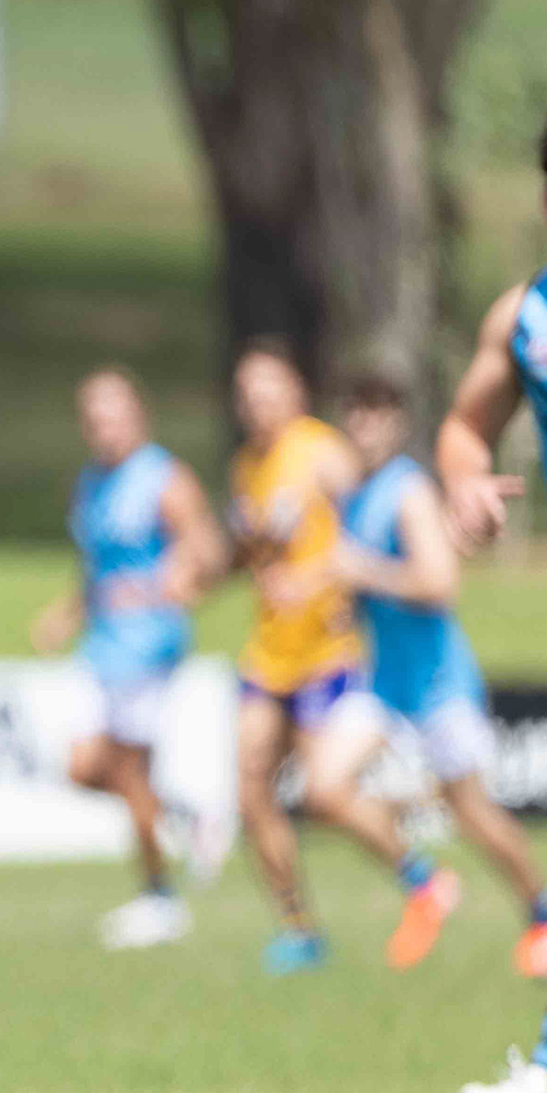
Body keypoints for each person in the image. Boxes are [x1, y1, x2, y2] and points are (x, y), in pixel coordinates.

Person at [444, 105, 547, 1093]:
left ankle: (545, 1083)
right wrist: (463, 480)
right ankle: (545, 1083)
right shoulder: (529, 317)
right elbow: (464, 428)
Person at [328, 371, 547, 976]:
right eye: (355, 410)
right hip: (386, 684)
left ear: (398, 422)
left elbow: (438, 583)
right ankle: (426, 883)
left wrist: (361, 571)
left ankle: (545, 913)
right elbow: (370, 582)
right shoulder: (356, 495)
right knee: (323, 786)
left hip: (438, 685)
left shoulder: (407, 491)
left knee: (473, 813)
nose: (364, 424)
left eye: (377, 411)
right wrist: (346, 606)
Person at [223, 340, 433, 973]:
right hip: (270, 651)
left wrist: (345, 591)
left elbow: (371, 518)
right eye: (247, 395)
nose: (257, 405)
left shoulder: (322, 452)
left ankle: (418, 874)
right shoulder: (246, 466)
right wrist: (245, 543)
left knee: (325, 794)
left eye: (268, 391)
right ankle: (298, 927)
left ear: (295, 393)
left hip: (327, 652)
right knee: (249, 785)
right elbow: (256, 556)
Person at [31, 367, 223, 949]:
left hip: (148, 648)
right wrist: (68, 613)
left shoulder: (165, 479)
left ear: (138, 415)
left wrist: (164, 586)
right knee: (82, 768)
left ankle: (160, 899)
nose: (104, 429)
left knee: (130, 771)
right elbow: (97, 569)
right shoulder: (90, 483)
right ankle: (186, 817)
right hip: (101, 646)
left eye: (114, 416)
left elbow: (207, 555)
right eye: (94, 419)